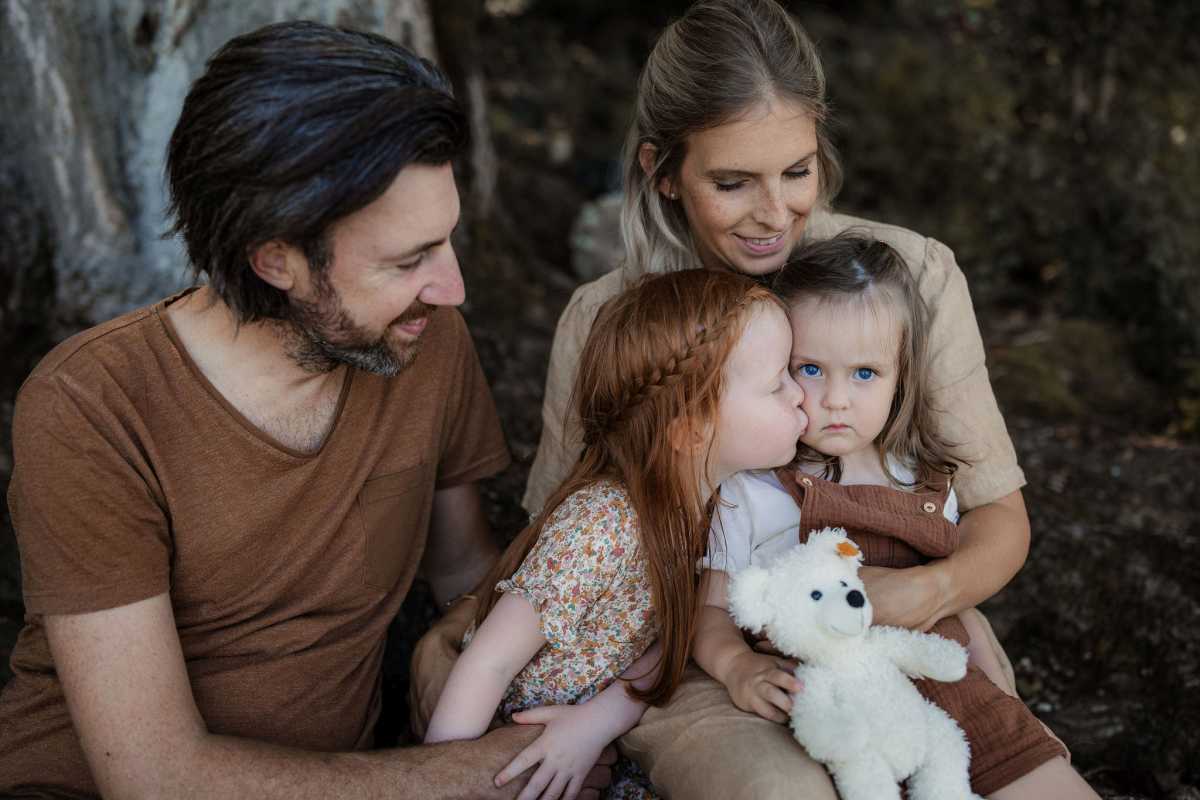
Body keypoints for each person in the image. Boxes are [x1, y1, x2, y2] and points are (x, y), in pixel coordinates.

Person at [409, 1, 1041, 797]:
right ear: (662, 171)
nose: (775, 214)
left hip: (885, 615)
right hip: (687, 656)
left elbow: (998, 517)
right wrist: (482, 648)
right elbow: (566, 543)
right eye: (733, 182)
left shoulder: (906, 276)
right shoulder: (613, 316)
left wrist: (934, 595)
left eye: (797, 172)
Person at [0, 21, 614, 799]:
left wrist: (453, 630)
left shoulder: (424, 341)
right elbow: (154, 775)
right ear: (276, 258)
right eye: (409, 259)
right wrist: (462, 777)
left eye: (447, 241)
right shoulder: (93, 408)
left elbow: (463, 567)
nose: (453, 288)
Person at [696, 234, 1096, 798]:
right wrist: (737, 666)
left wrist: (1000, 690)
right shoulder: (751, 488)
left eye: (865, 374)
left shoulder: (921, 475)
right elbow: (708, 611)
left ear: (900, 376)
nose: (836, 398)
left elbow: (960, 607)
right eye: (809, 369)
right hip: (833, 708)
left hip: (953, 694)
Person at [424, 269, 809, 800]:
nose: (800, 394)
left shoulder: (720, 506)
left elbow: (664, 644)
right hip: (505, 754)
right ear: (692, 428)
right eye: (778, 382)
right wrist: (448, 781)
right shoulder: (601, 527)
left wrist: (593, 725)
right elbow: (489, 663)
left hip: (583, 743)